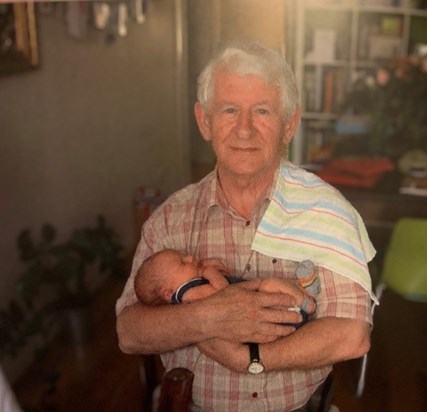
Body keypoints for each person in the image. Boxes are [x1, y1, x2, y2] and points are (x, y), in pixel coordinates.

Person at [116, 40, 375, 411]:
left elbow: (352, 336)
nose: (244, 129)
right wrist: (211, 316)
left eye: (263, 111)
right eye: (229, 110)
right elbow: (129, 332)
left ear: (290, 125)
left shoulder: (328, 211)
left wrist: (250, 359)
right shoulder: (170, 220)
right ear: (204, 120)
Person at [134, 249, 318, 322]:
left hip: (251, 298)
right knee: (270, 285)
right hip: (256, 306)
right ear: (167, 292)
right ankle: (307, 302)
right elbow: (223, 292)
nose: (189, 258)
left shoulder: (189, 289)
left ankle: (301, 292)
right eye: (182, 262)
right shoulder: (187, 294)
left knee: (272, 285)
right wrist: (206, 270)